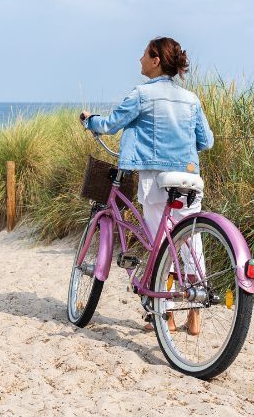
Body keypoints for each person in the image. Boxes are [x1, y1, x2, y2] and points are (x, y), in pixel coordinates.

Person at [79, 36, 214, 335]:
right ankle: (195, 314)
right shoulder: (192, 100)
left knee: (160, 244)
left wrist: (90, 120)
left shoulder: (141, 95)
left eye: (144, 55)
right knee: (191, 241)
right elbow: (206, 140)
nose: (140, 59)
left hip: (156, 180)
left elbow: (111, 124)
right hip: (189, 178)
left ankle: (163, 314)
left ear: (156, 61)